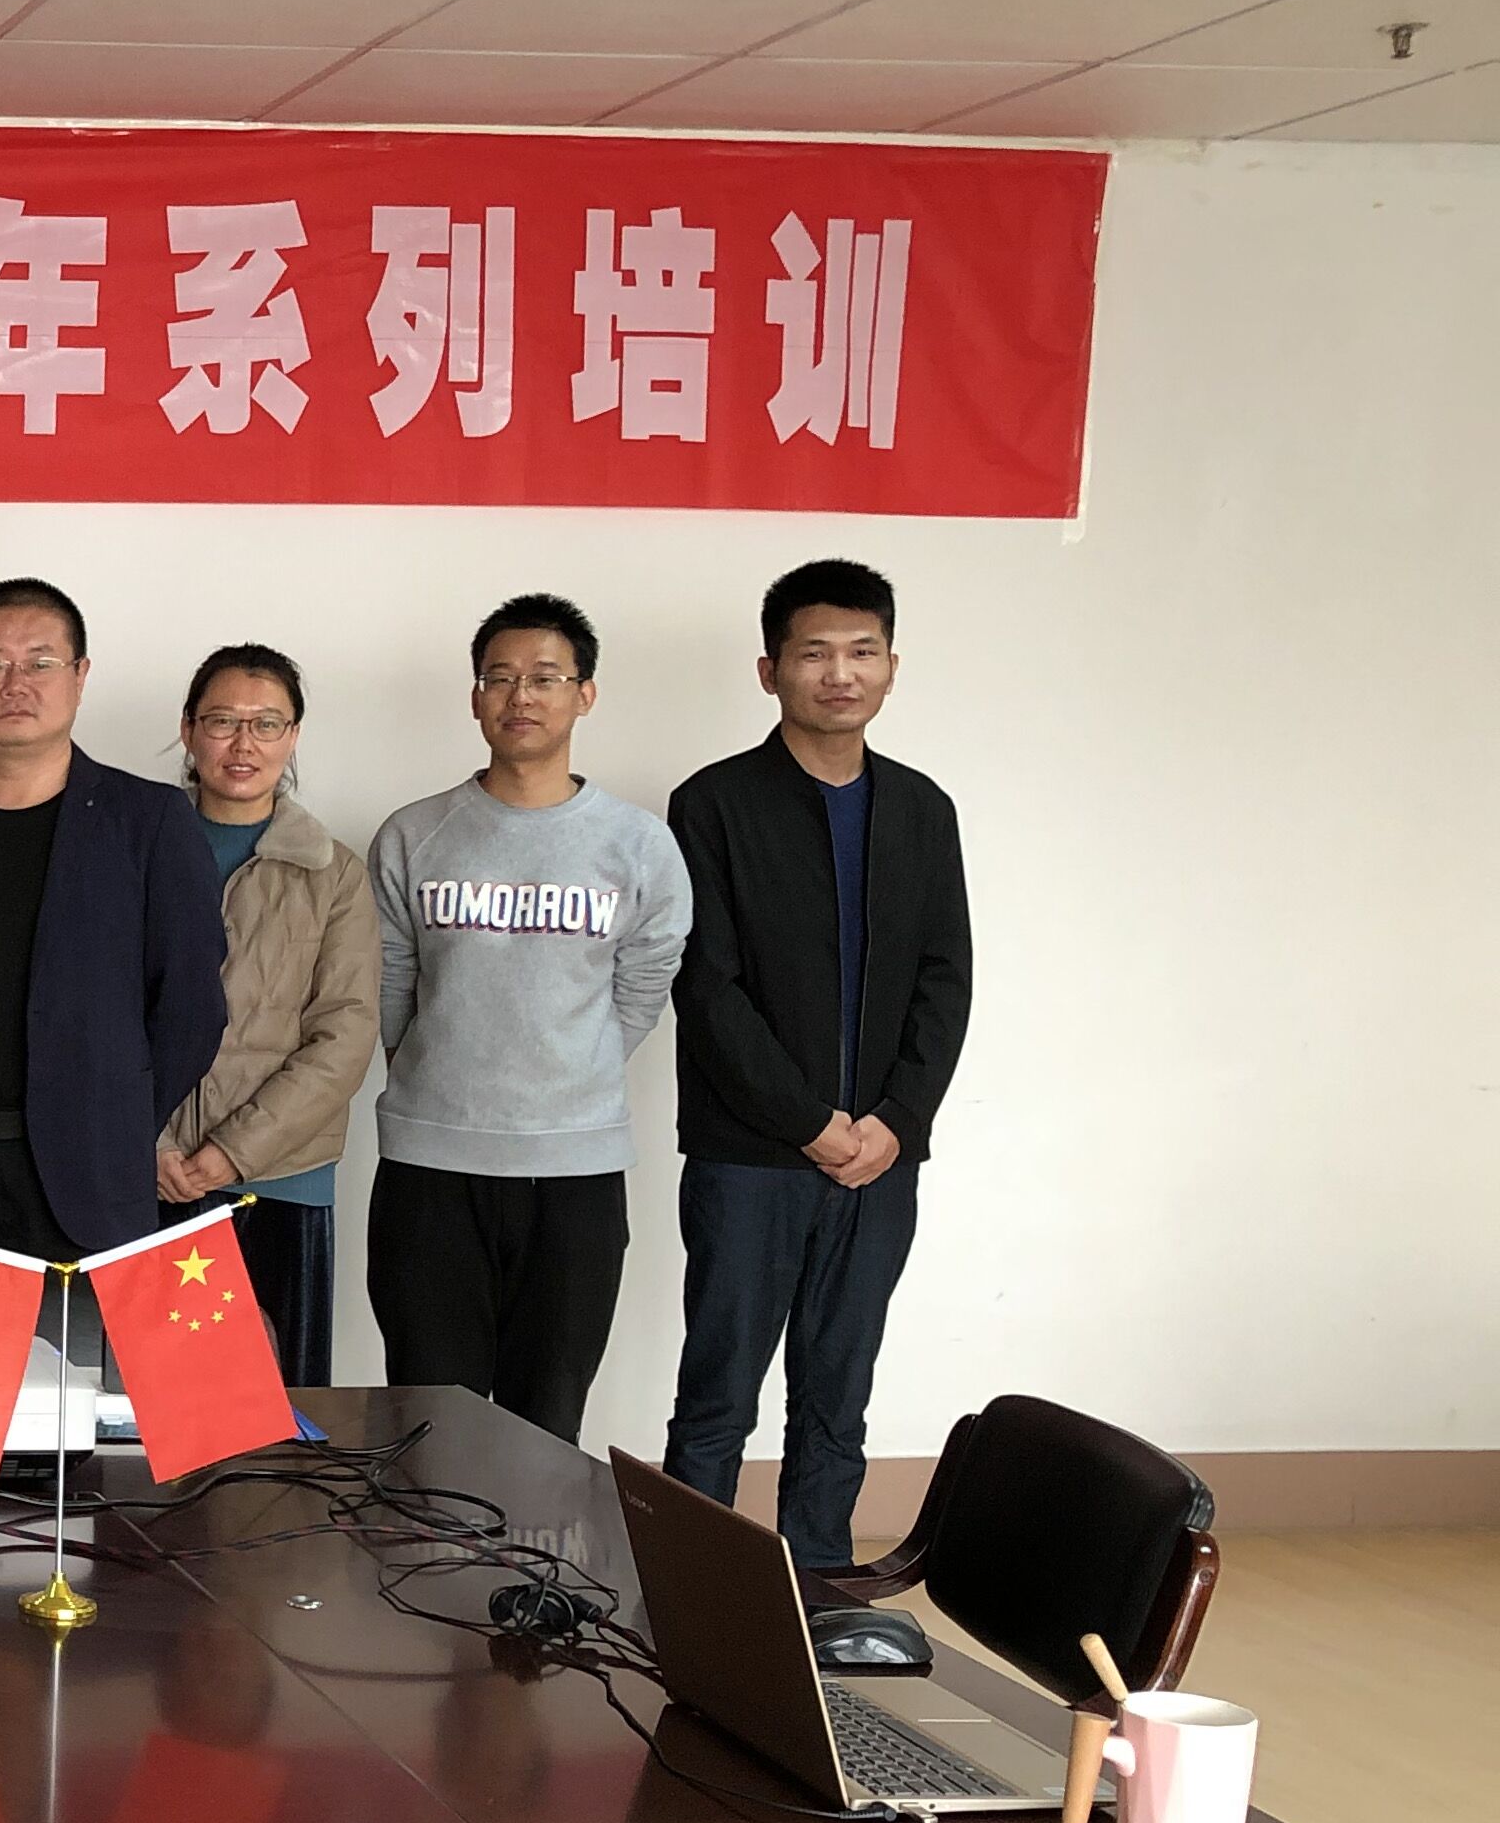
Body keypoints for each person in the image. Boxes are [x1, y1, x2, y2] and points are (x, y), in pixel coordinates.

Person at [661, 558, 972, 1571]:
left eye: (862, 652)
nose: (840, 674)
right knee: (717, 1396)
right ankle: (690, 1595)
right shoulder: (712, 804)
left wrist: (895, 1124)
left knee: (839, 1396)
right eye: (814, 654)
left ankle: (821, 1594)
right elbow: (708, 987)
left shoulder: (922, 809)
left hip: (879, 1161)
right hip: (750, 1158)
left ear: (891, 668)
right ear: (771, 671)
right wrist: (807, 1122)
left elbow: (945, 981)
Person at [366, 593, 691, 1444]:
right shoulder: (414, 833)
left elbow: (644, 984)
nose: (521, 696)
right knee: (429, 1423)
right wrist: (442, 1071)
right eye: (500, 678)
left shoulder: (637, 844)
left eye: (545, 677)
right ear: (475, 697)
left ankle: (533, 1548)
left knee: (545, 1427)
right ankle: (431, 1545)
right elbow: (393, 983)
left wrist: (571, 1067)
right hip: (430, 1167)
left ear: (585, 694)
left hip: (575, 1170)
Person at [0, 578, 226, 1264]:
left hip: (84, 1183)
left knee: (76, 1344)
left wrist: (111, 1120)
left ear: (80, 676)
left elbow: (192, 1009)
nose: (15, 685)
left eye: (40, 662)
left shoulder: (148, 822)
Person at [155, 645, 377, 1391]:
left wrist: (233, 1152)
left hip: (280, 1180)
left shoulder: (333, 872)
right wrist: (150, 1141)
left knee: (274, 1408)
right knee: (151, 1409)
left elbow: (344, 1035)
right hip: (145, 1174)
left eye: (266, 723)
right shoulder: (134, 852)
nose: (243, 743)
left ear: (293, 736)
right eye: (222, 721)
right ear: (189, 730)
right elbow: (94, 1019)